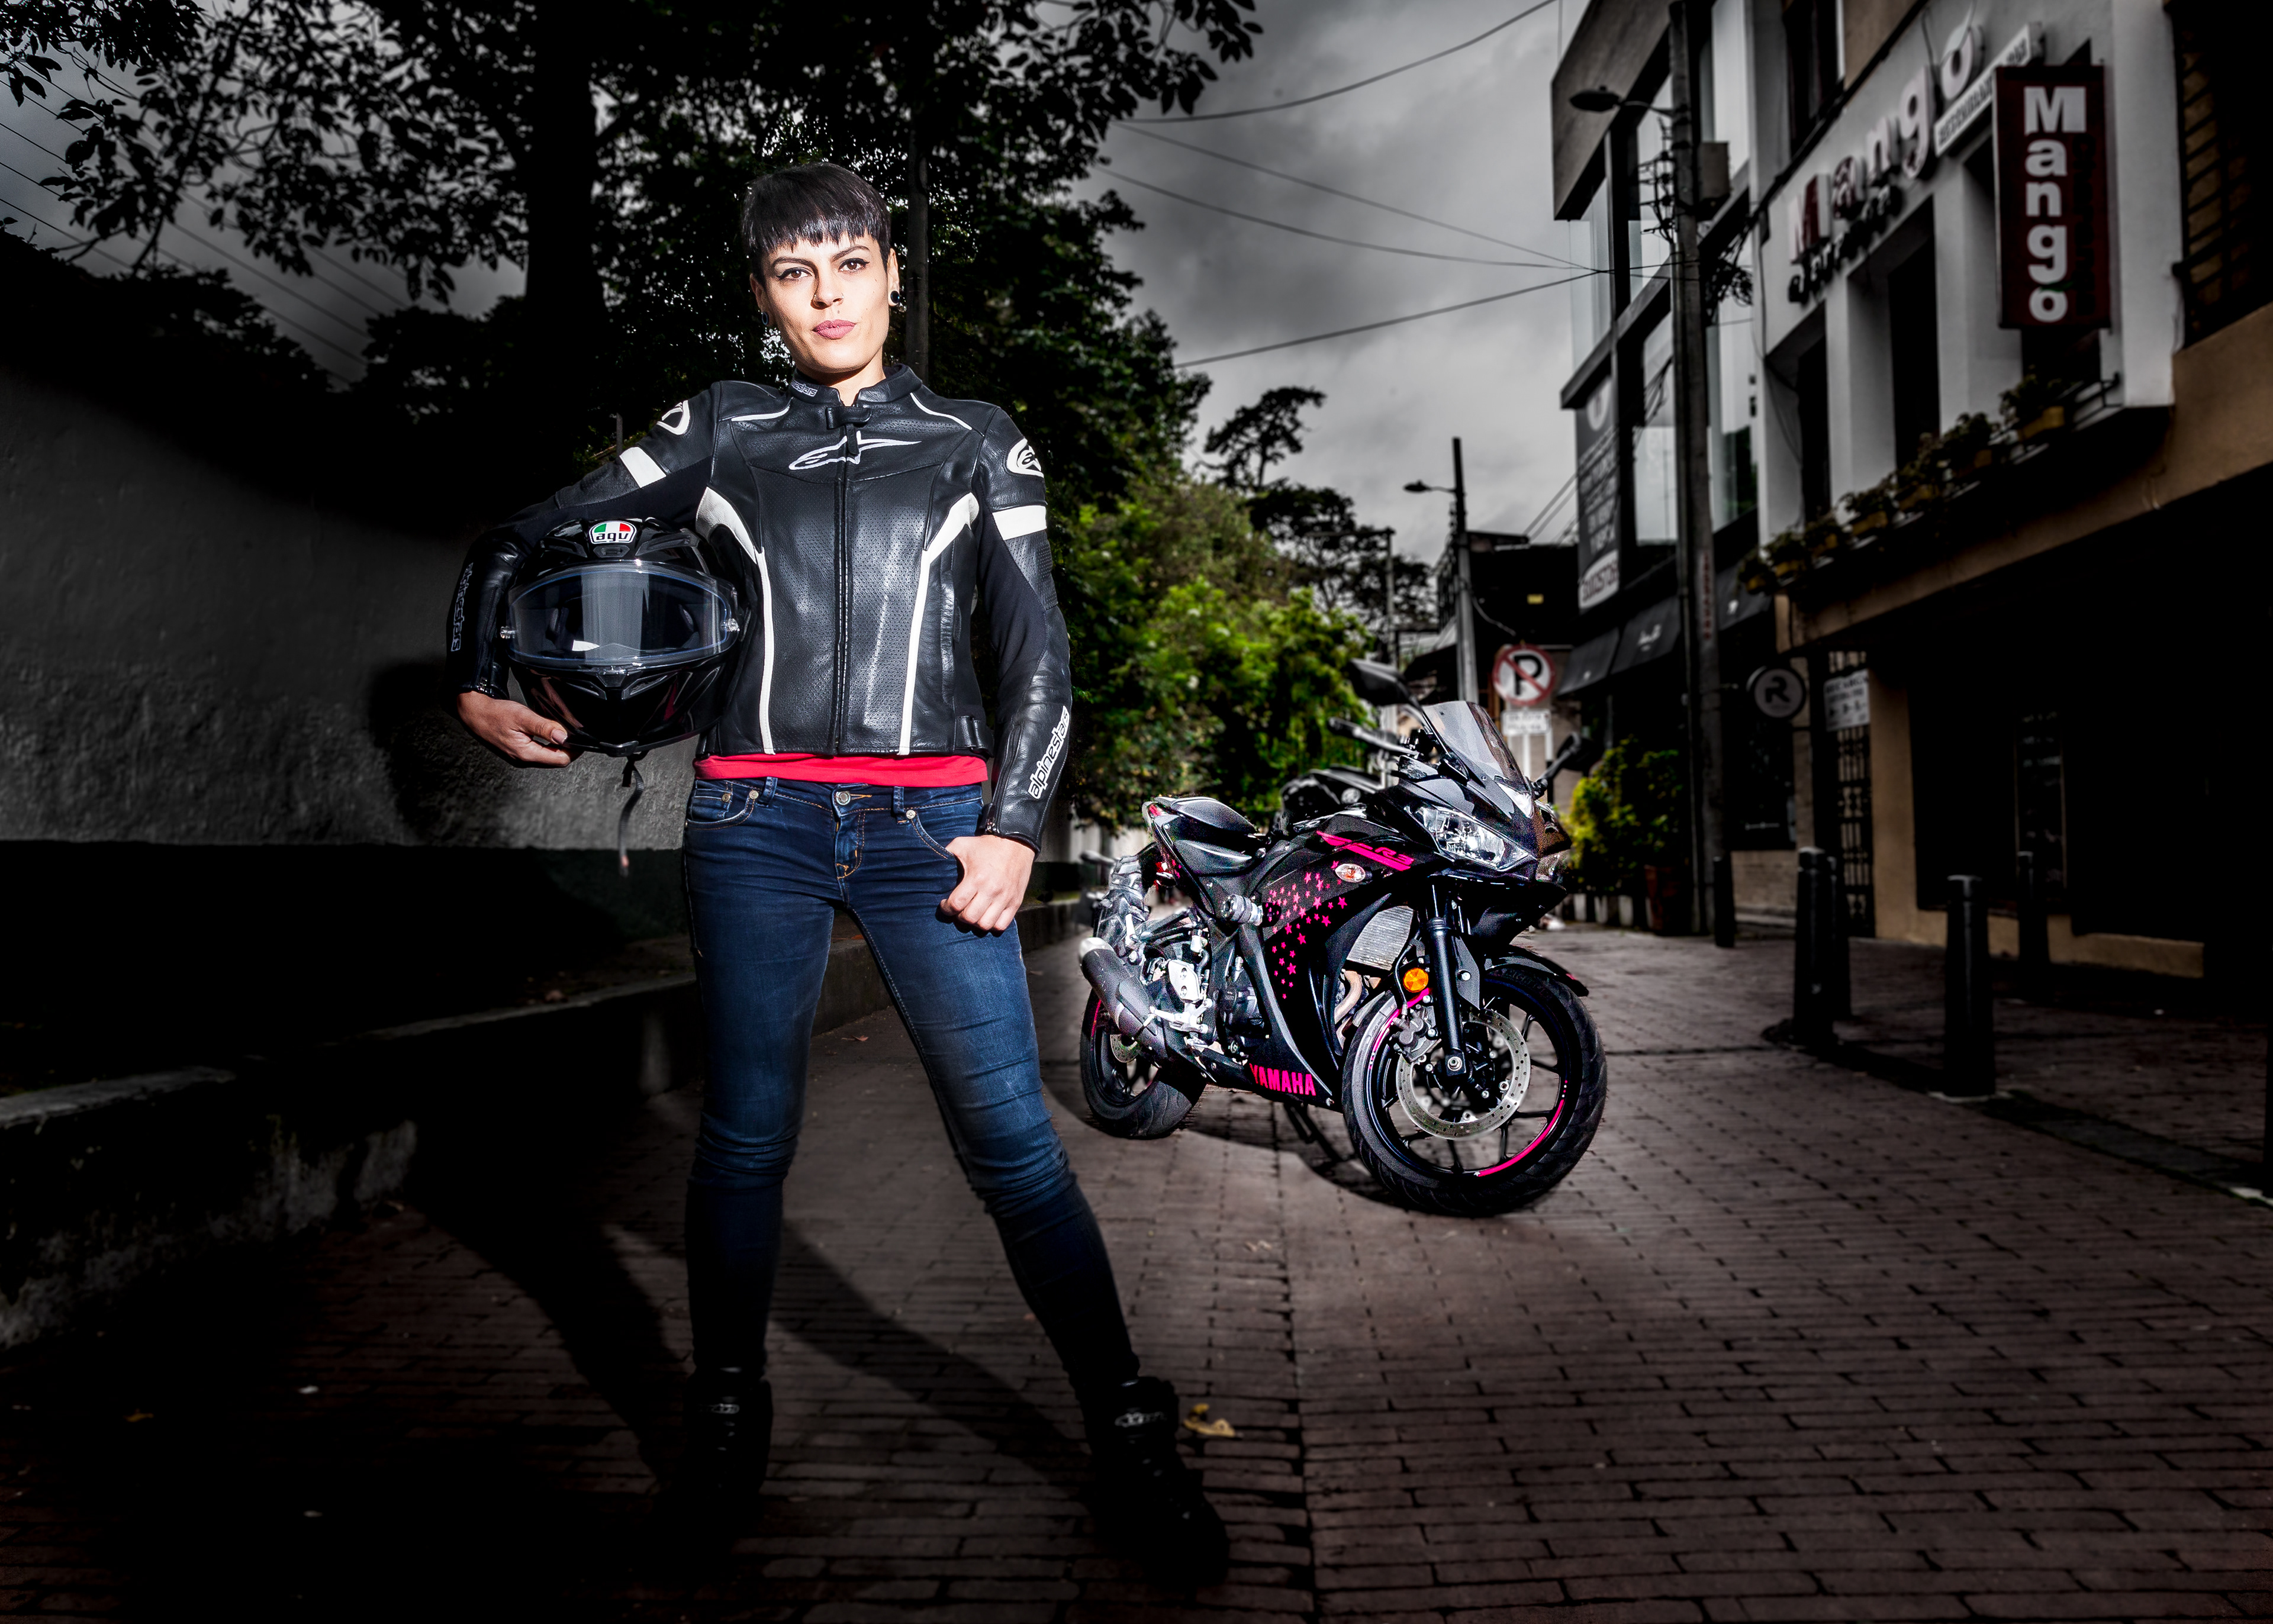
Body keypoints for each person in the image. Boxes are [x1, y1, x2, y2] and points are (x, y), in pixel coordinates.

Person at [443, 162, 1226, 1583]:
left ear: (891, 273)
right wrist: (476, 678)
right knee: (746, 1138)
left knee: (1013, 1146)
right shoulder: (720, 426)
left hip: (940, 834)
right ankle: (723, 1423)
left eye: (851, 265)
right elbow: (523, 535)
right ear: (764, 291)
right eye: (794, 274)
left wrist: (1015, 822)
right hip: (756, 821)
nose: (827, 297)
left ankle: (1128, 1430)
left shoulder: (981, 439)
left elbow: (1036, 649)